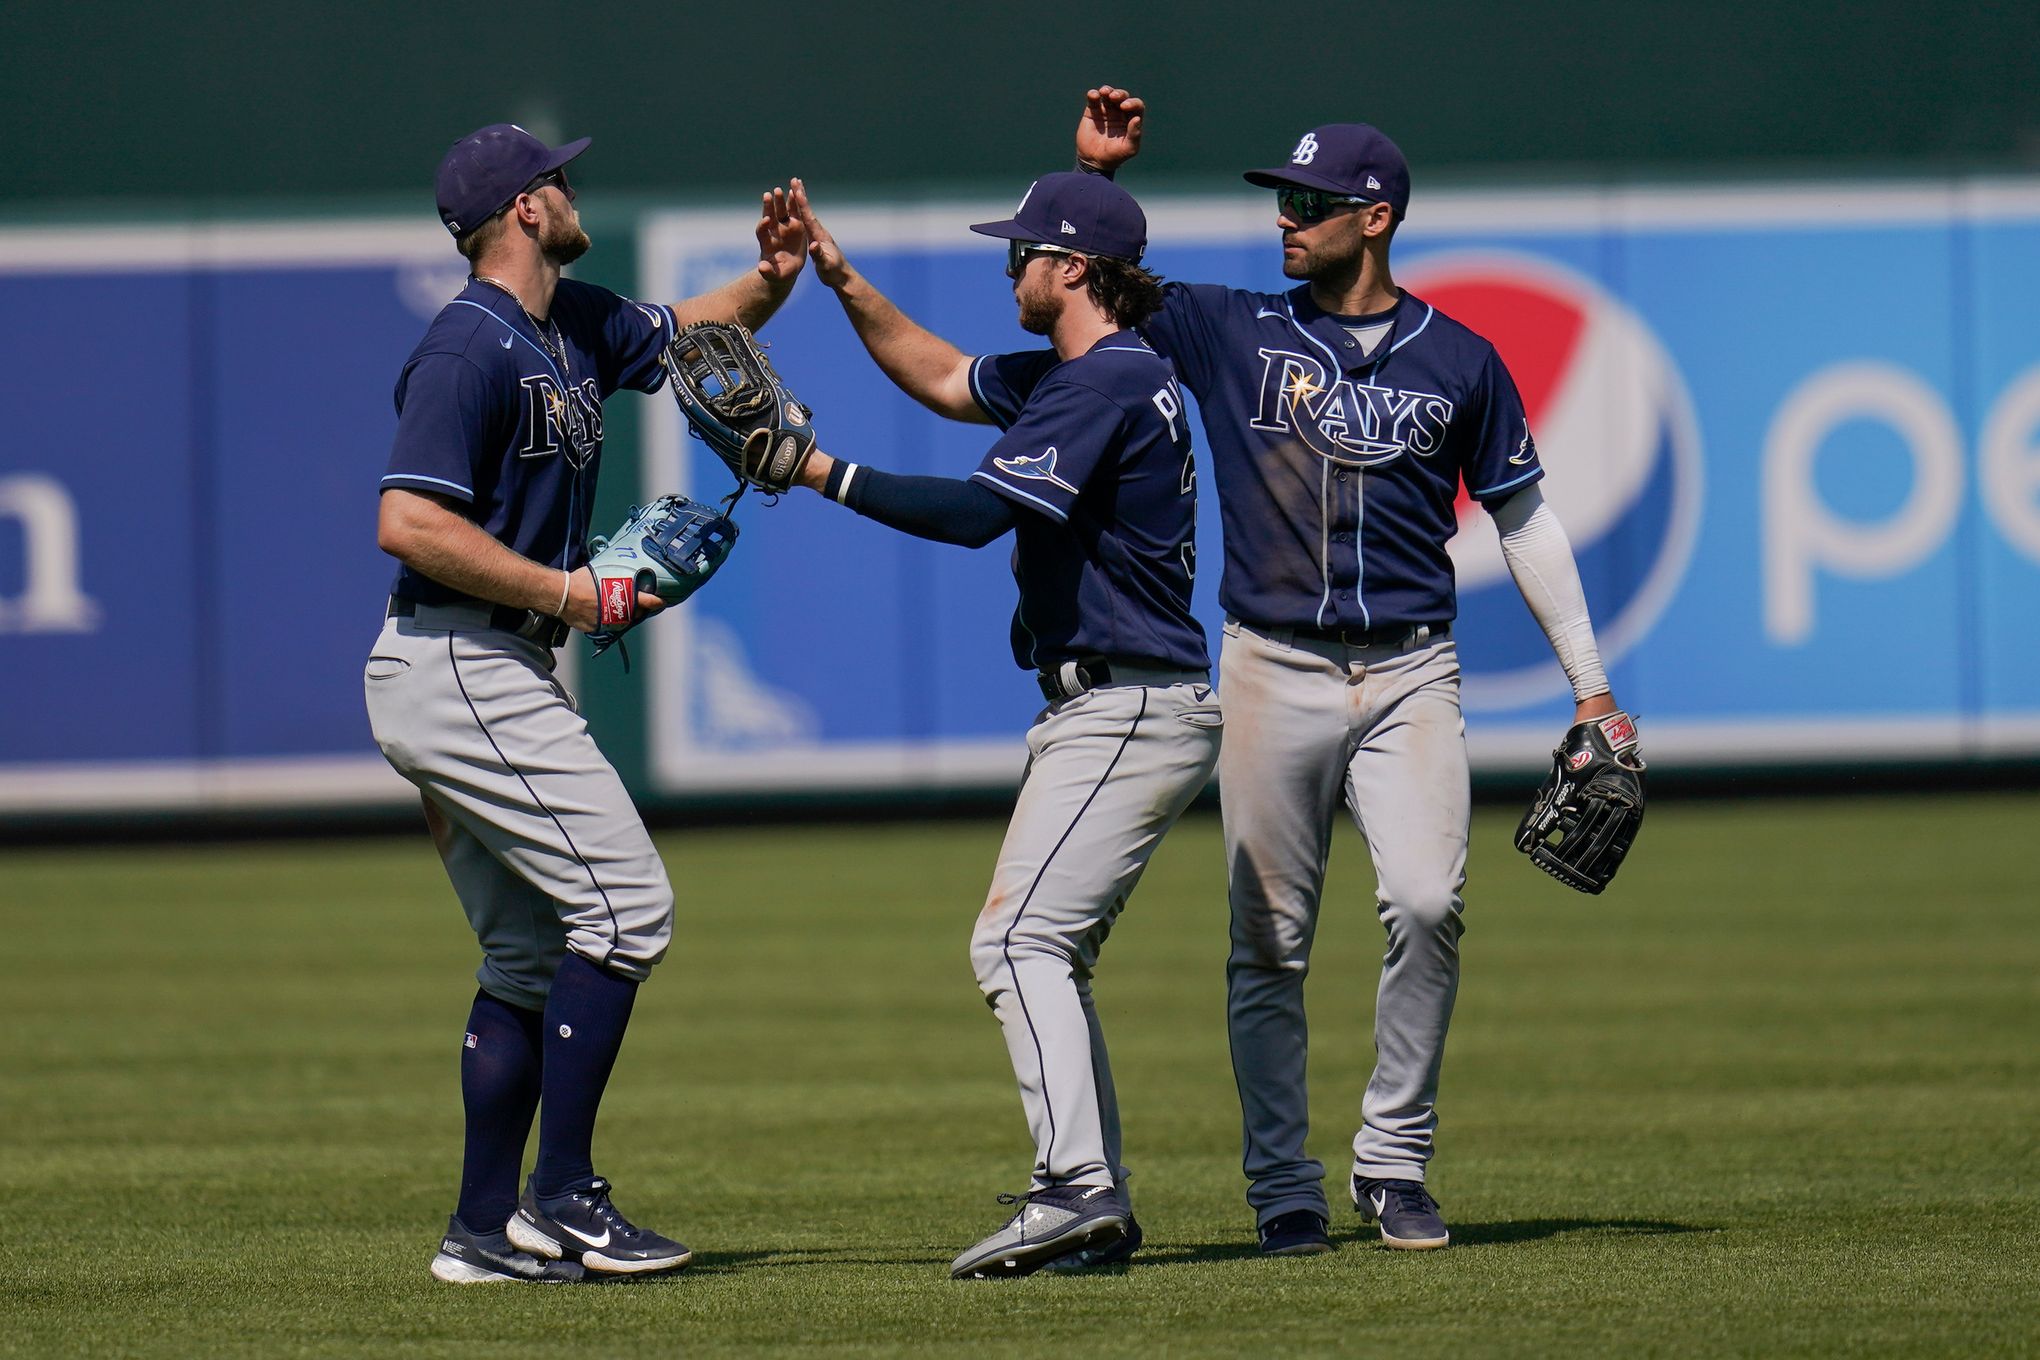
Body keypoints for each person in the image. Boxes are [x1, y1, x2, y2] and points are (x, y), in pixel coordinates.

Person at [1072, 89, 1634, 1253]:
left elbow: (1524, 520)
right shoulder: (1234, 328)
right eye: (1283, 198)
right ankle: (1283, 1183)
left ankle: (1394, 1160)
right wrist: (1101, 180)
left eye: (1310, 203)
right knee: (1268, 941)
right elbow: (1102, 295)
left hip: (1413, 671)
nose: (1287, 217)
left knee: (1429, 905)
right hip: (1272, 664)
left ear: (1373, 218)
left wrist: (1590, 686)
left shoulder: (1462, 361)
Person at [364, 122, 806, 1283]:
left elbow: (691, 334)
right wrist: (570, 589)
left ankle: (479, 1228)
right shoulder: (467, 349)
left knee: (525, 954)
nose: (571, 188)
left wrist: (772, 276)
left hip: (489, 664)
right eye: (555, 178)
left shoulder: (573, 321)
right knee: (626, 906)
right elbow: (407, 522)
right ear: (520, 209)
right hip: (459, 659)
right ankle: (562, 1199)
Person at [786, 172, 1220, 1276]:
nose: (1009, 268)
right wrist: (839, 278)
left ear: (1074, 269)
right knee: (1045, 949)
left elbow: (981, 515)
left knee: (1017, 940)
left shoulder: (1102, 383)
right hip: (1126, 698)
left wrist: (814, 469)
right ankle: (1093, 1197)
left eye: (1023, 253)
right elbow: (936, 374)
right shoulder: (1094, 375)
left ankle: (1074, 1187)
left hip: (1127, 701)